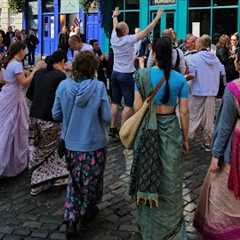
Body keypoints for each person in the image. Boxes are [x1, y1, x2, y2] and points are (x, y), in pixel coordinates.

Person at [129, 37, 189, 240]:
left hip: (147, 131)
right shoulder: (180, 79)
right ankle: (171, 229)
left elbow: (137, 108)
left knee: (146, 175)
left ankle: (148, 227)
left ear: (153, 51)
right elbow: (185, 112)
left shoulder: (141, 75)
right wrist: (186, 138)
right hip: (170, 128)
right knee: (171, 179)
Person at [52, 51, 111, 237]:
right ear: (93, 68)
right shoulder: (99, 87)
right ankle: (88, 210)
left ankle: (71, 217)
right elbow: (107, 116)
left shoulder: (63, 86)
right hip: (94, 144)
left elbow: (56, 114)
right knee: (92, 181)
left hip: (71, 144)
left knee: (74, 181)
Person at [194, 52, 240, 240]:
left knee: (223, 191)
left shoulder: (234, 88)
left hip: (235, 152)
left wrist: (216, 155)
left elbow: (224, 126)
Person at [110, 7, 164, 139]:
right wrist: (157, 17)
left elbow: (115, 26)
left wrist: (114, 16)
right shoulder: (128, 39)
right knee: (128, 104)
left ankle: (112, 127)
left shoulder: (114, 37)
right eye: (127, 28)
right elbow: (146, 31)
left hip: (115, 73)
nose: (128, 29)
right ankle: (123, 130)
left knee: (115, 102)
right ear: (125, 31)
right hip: (127, 74)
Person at [26, 50, 68, 196]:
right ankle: (38, 181)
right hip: (50, 118)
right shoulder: (61, 76)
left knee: (44, 148)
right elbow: (63, 99)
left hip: (34, 116)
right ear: (62, 61)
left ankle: (58, 177)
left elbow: (30, 95)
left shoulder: (39, 73)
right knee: (47, 149)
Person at [0, 42, 45, 177]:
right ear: (19, 50)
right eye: (24, 50)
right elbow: (24, 83)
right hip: (14, 97)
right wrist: (36, 69)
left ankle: (12, 160)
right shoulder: (16, 64)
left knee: (11, 127)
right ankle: (12, 161)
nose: (25, 52)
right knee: (14, 128)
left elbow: (5, 79)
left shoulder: (11, 63)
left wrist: (25, 73)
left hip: (9, 95)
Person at [186, 34, 225, 152]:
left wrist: (182, 80)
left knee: (193, 117)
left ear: (200, 44)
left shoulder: (193, 58)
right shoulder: (215, 57)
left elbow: (192, 75)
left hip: (197, 91)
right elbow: (223, 72)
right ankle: (207, 142)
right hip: (212, 91)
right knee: (209, 119)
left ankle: (187, 139)